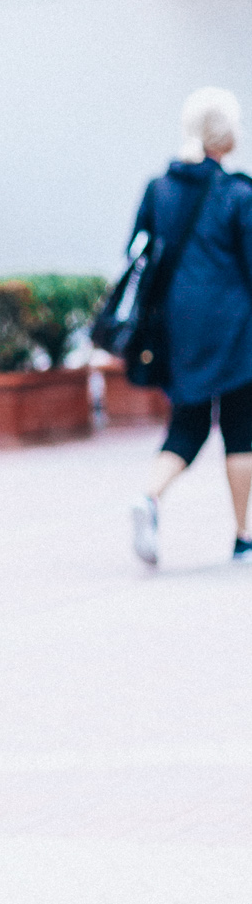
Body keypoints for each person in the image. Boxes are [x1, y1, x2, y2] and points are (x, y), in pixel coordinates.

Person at [130, 88, 252, 567]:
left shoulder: (157, 189)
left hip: (178, 332)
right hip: (236, 333)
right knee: (242, 430)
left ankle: (149, 496)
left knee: (187, 425)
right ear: (228, 134)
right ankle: (244, 533)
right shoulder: (239, 193)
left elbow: (137, 256)